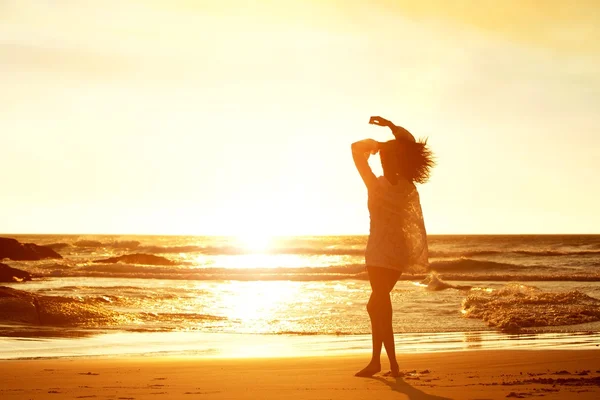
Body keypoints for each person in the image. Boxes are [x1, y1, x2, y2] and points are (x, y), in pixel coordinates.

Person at [352, 116, 434, 377]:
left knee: (378, 304)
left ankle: (385, 364)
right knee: (377, 304)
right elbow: (408, 142)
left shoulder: (375, 184)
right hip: (396, 251)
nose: (383, 159)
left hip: (378, 251)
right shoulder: (407, 186)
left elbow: (355, 148)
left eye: (385, 157)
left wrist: (374, 143)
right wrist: (389, 127)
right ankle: (386, 363)